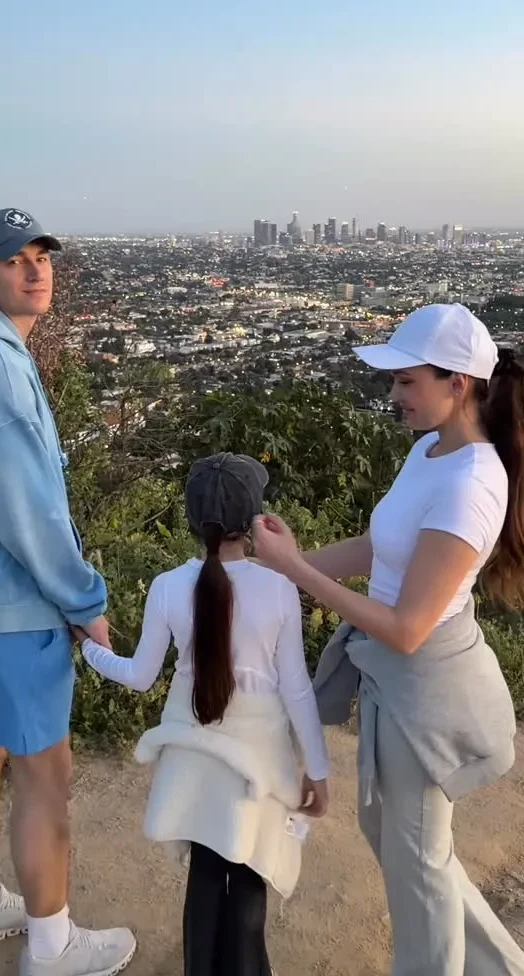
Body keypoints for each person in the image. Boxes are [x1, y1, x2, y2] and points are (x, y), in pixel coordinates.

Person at [252, 302, 524, 976]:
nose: (395, 394)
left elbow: (407, 628)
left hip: (425, 686)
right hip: (394, 678)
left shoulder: (471, 484)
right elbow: (381, 546)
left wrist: (295, 573)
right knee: (402, 843)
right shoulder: (431, 451)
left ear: (459, 382)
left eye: (407, 381)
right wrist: (287, 565)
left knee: (417, 864)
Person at [0, 208, 136, 976]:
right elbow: (29, 511)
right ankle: (52, 945)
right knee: (48, 777)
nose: (34, 269)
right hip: (13, 610)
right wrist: (84, 601)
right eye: (13, 259)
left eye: (41, 255)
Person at [75, 453, 330, 976]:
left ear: (191, 520)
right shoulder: (279, 587)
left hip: (194, 754)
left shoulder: (168, 586)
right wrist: (318, 770)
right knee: (251, 866)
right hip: (258, 759)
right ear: (254, 520)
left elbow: (140, 675)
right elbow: (297, 689)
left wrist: (90, 650)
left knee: (207, 869)